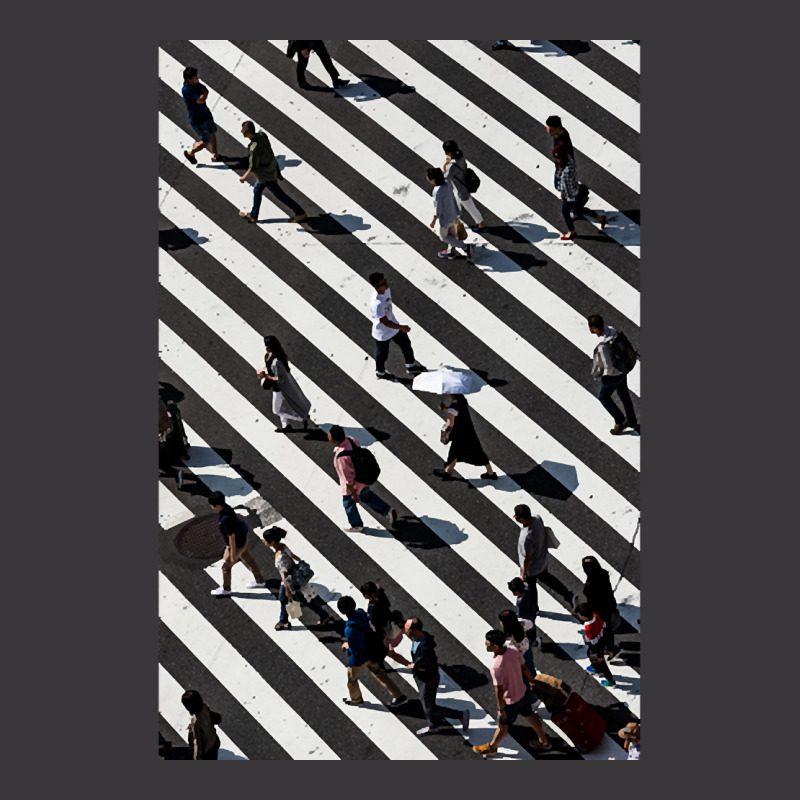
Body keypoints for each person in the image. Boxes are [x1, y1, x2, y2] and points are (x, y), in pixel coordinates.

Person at [473, 630, 551, 756]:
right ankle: (544, 741)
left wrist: (500, 708)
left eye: (487, 644)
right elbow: (524, 668)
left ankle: (492, 747)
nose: (485, 645)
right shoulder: (514, 651)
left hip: (510, 700)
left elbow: (499, 690)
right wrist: (532, 682)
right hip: (522, 691)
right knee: (531, 715)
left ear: (495, 647)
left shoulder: (497, 667)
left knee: (503, 726)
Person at [337, 595, 407, 708]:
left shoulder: (349, 630)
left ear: (342, 611)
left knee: (352, 680)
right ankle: (399, 696)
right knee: (380, 673)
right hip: (372, 651)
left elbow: (355, 650)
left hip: (359, 659)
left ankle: (356, 699)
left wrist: (347, 645)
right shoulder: (360, 612)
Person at [404, 617, 470, 736]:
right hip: (421, 677)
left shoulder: (425, 649)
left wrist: (415, 666)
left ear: (416, 631)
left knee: (429, 707)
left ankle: (460, 715)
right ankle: (433, 724)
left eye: (407, 630)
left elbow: (431, 667)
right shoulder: (418, 638)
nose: (405, 632)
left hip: (427, 679)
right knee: (426, 703)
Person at [261, 527, 333, 631]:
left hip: (291, 582)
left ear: (271, 541)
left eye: (265, 540)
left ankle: (324, 616)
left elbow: (285, 575)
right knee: (283, 600)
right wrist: (301, 564)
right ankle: (283, 621)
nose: (263, 541)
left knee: (305, 601)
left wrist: (288, 590)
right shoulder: (283, 546)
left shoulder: (280, 557)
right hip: (291, 578)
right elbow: (293, 556)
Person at [328, 425, 397, 533]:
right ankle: (387, 510)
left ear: (335, 440)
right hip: (362, 477)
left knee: (348, 504)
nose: (328, 436)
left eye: (330, 435)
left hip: (353, 484)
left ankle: (356, 525)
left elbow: (348, 479)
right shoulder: (351, 440)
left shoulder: (342, 458)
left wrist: (353, 494)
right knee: (367, 496)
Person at [238, 120, 307, 224]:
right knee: (257, 191)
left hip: (266, 175)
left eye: (243, 130)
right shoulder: (262, 135)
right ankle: (253, 216)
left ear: (248, 133)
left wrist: (243, 177)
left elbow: (253, 168)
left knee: (280, 195)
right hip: (271, 168)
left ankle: (300, 212)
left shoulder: (254, 148)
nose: (241, 131)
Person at [514, 504, 577, 612]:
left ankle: (534, 608)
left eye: (517, 517)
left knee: (531, 588)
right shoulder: (538, 518)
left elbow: (528, 558)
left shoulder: (526, 538)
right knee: (549, 579)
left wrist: (524, 573)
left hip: (532, 569)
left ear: (522, 519)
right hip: (542, 559)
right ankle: (568, 595)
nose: (516, 518)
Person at [368, 272, 426, 381]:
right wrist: (401, 327)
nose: (387, 284)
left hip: (393, 326)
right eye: (384, 283)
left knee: (406, 344)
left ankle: (411, 366)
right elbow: (384, 321)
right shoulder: (377, 303)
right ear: (376, 286)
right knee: (382, 354)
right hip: (383, 332)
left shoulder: (386, 290)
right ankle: (380, 372)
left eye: (386, 281)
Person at [588, 314, 640, 435]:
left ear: (595, 328)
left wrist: (603, 377)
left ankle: (620, 420)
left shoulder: (602, 347)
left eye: (590, 327)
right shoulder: (612, 331)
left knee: (603, 397)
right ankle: (632, 421)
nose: (590, 329)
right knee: (624, 394)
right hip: (623, 369)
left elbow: (609, 367)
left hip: (614, 375)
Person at [207, 491, 266, 597]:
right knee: (249, 559)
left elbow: (231, 537)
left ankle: (226, 589)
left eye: (212, 505)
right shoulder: (227, 508)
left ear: (218, 505)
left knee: (226, 567)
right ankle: (259, 580)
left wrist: (233, 555)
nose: (211, 506)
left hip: (237, 544)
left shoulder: (225, 519)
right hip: (243, 539)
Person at [434, 394, 497, 481]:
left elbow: (451, 423)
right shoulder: (462, 401)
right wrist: (446, 409)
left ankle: (447, 472)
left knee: (454, 453)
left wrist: (448, 417)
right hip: (468, 430)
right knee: (478, 451)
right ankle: (490, 472)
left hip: (459, 434)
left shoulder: (453, 408)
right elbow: (456, 411)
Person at [257, 335, 311, 432]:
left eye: (267, 346)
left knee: (276, 410)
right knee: (280, 407)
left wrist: (265, 376)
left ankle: (301, 418)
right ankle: (286, 425)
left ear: (270, 347)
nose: (265, 348)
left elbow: (278, 379)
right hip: (278, 387)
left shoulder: (277, 361)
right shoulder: (273, 355)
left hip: (279, 389)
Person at [554, 146, 606, 240]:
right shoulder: (570, 161)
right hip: (576, 189)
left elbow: (568, 189)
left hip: (571, 194)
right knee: (576, 208)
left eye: (558, 158)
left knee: (565, 212)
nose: (557, 160)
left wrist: (564, 196)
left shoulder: (566, 173)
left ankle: (571, 231)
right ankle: (598, 217)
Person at [425, 167, 475, 262]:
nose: (426, 178)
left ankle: (466, 247)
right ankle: (450, 251)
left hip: (446, 219)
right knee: (451, 235)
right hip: (454, 213)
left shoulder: (437, 191)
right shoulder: (447, 184)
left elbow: (438, 209)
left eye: (427, 176)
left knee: (444, 237)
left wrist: (434, 221)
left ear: (433, 179)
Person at [581, 556, 623, 662]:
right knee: (607, 628)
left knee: (603, 629)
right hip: (609, 604)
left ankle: (609, 649)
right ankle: (610, 648)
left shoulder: (591, 584)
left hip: (600, 610)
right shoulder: (603, 574)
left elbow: (591, 598)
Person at [360, 581, 410, 666]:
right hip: (390, 624)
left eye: (365, 594)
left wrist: (368, 616)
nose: (364, 596)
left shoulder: (373, 609)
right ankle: (409, 665)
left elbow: (375, 623)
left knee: (391, 654)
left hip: (383, 633)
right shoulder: (381, 595)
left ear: (371, 594)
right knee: (389, 653)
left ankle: (410, 665)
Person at [442, 140, 486, 231]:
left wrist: (445, 165)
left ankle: (481, 224)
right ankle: (455, 221)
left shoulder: (452, 166)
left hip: (461, 191)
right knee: (456, 205)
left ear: (449, 152)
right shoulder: (460, 156)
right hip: (462, 186)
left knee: (470, 207)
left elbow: (445, 177)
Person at [181, 66, 219, 165]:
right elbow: (201, 100)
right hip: (198, 120)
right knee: (206, 141)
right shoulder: (186, 90)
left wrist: (204, 94)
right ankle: (191, 153)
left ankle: (215, 153)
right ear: (189, 79)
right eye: (195, 77)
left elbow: (204, 92)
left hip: (206, 114)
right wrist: (204, 94)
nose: (198, 77)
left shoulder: (196, 84)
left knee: (212, 133)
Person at [575, 602, 616, 687]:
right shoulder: (596, 616)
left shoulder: (589, 627)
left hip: (596, 647)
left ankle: (610, 680)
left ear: (584, 617)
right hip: (600, 640)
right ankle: (596, 666)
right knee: (590, 654)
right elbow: (603, 625)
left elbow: (593, 642)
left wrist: (598, 654)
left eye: (579, 614)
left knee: (600, 662)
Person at [498, 609, 537, 689]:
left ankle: (531, 693)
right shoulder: (522, 624)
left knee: (524, 676)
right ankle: (535, 684)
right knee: (530, 669)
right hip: (526, 649)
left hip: (518, 659)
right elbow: (530, 624)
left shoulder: (507, 641)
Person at [181, 690, 222, 760]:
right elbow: (215, 718)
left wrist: (196, 757)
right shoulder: (204, 708)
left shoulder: (196, 724)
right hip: (214, 740)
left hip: (207, 749)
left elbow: (198, 743)